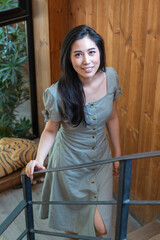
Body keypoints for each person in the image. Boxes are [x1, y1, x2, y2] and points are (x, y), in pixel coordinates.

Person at [26, 25, 121, 239]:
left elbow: (113, 117)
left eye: (91, 52)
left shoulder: (111, 77)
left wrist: (117, 155)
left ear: (100, 52)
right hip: (69, 164)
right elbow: (51, 129)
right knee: (75, 224)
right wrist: (38, 160)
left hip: (101, 160)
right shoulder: (57, 93)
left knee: (101, 226)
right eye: (78, 54)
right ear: (69, 58)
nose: (86, 61)